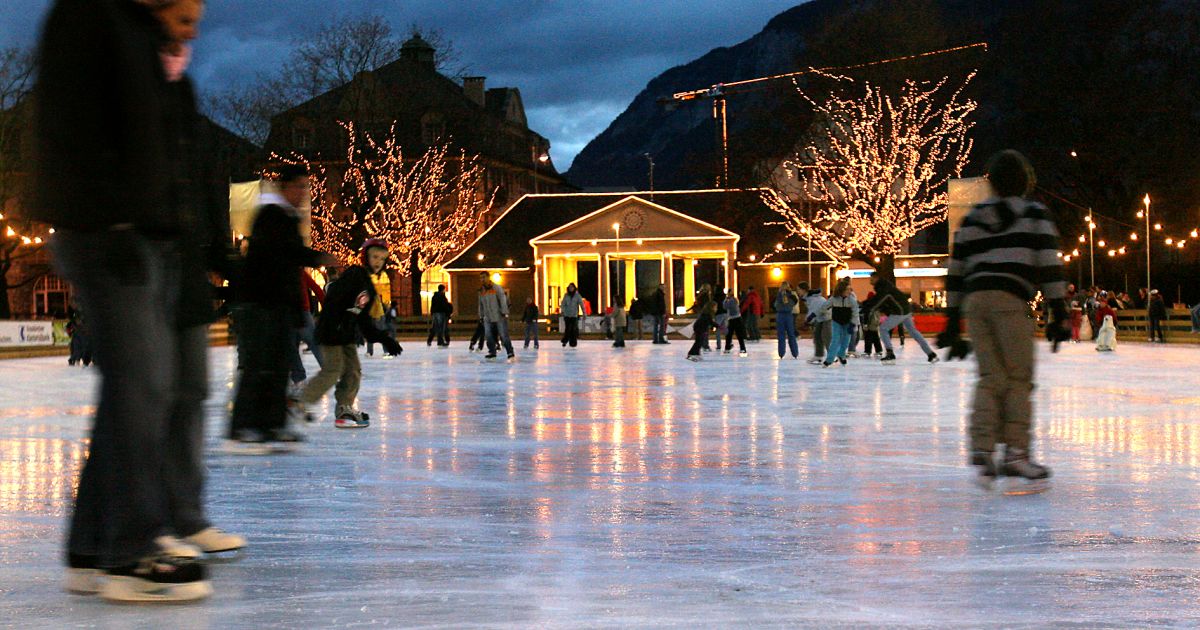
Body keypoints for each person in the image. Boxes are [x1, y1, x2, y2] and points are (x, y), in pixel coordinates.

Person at [36, 0, 243, 603]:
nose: (194, 21)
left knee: (136, 388)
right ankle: (130, 554)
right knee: (147, 384)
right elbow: (74, 125)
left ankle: (91, 547)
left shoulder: (133, 29)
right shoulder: (89, 17)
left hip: (139, 232)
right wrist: (117, 220)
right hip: (108, 231)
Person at [939, 150, 1067, 489]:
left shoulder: (973, 218)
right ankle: (1015, 454)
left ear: (992, 183)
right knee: (1018, 378)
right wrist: (1059, 311)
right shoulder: (1034, 214)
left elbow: (956, 269)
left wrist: (952, 319)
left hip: (976, 302)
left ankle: (982, 449)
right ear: (1025, 181)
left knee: (991, 376)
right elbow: (1049, 264)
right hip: (1013, 299)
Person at [228, 165, 335, 451]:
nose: (304, 194)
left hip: (277, 304)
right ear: (285, 187)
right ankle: (241, 427)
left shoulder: (286, 217)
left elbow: (289, 264)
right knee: (258, 366)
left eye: (306, 188)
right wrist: (320, 257)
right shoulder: (271, 216)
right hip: (260, 302)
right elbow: (283, 255)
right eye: (299, 187)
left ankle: (272, 424)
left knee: (277, 366)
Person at [292, 239, 403, 429]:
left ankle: (344, 408)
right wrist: (335, 322)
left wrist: (384, 338)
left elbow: (363, 319)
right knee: (333, 370)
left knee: (353, 372)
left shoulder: (367, 284)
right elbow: (334, 299)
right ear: (365, 256)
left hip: (346, 334)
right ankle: (300, 401)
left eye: (382, 259)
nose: (378, 262)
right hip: (333, 330)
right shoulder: (354, 274)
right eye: (375, 256)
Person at [870, 272, 939, 363]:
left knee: (883, 328)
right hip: (905, 310)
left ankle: (890, 353)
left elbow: (880, 300)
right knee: (913, 332)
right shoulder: (885, 285)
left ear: (876, 278)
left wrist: (869, 307)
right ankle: (930, 353)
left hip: (900, 311)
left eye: (871, 278)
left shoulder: (883, 287)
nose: (870, 281)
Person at [288, 270, 325, 385]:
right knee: (312, 342)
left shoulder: (296, 272)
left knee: (291, 345)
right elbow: (316, 288)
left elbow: (316, 288)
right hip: (300, 311)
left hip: (293, 312)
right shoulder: (300, 272)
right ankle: (327, 368)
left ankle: (298, 374)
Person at [820, 278, 859, 367]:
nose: (850, 291)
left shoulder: (851, 299)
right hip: (836, 322)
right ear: (842, 290)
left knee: (846, 341)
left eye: (850, 289)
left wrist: (853, 323)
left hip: (848, 323)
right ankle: (829, 360)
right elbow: (824, 307)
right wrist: (827, 314)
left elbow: (855, 312)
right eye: (848, 289)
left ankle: (841, 354)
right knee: (835, 340)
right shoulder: (834, 299)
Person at [478, 272, 514, 360]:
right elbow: (480, 304)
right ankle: (492, 352)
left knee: (503, 334)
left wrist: (504, 311)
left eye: (483, 277)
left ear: (488, 277)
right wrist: (481, 315)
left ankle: (510, 352)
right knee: (488, 335)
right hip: (487, 316)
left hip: (498, 315)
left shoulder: (496, 288)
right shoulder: (481, 291)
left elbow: (502, 299)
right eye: (481, 278)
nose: (482, 280)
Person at [364, 263, 393, 357]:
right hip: (375, 315)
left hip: (377, 316)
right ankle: (371, 352)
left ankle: (382, 351)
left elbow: (375, 305)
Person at [799, 282, 830, 364]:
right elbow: (812, 311)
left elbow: (814, 311)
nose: (798, 291)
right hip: (820, 318)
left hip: (827, 318)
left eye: (798, 289)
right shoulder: (808, 298)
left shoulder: (813, 298)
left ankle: (832, 355)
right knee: (817, 337)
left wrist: (807, 321)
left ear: (803, 290)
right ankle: (818, 355)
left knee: (826, 337)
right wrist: (808, 320)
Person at [773, 282, 800, 359]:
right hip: (788, 315)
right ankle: (795, 353)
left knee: (781, 335)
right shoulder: (792, 296)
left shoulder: (778, 295)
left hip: (780, 315)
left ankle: (781, 353)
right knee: (791, 334)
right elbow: (795, 302)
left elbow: (775, 305)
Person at [722, 289, 748, 355]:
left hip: (733, 319)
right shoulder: (735, 300)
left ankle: (728, 348)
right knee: (738, 334)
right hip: (737, 318)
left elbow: (725, 306)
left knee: (730, 334)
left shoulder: (731, 300)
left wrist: (725, 299)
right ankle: (742, 348)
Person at [560, 283, 583, 347]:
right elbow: (563, 304)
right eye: (570, 287)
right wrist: (563, 311)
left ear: (574, 288)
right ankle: (565, 340)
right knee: (568, 329)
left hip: (574, 315)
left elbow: (582, 304)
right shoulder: (566, 295)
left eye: (572, 287)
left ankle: (573, 343)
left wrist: (584, 313)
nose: (571, 289)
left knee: (573, 329)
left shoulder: (577, 296)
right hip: (567, 315)